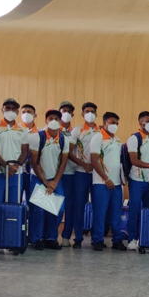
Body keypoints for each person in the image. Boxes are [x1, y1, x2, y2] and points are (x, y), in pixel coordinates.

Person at [29, 110, 69, 251]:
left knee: (58, 208)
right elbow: (34, 162)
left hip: (55, 179)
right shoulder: (37, 137)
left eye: (56, 118)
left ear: (60, 121)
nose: (53, 121)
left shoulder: (64, 139)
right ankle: (36, 238)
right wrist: (46, 182)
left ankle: (50, 237)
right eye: (51, 118)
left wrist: (54, 182)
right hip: (39, 178)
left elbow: (63, 164)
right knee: (39, 209)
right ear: (46, 120)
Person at [90, 111, 126, 252]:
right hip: (101, 183)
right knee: (100, 213)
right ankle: (97, 239)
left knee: (116, 213)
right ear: (104, 123)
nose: (114, 125)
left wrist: (121, 179)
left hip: (117, 184)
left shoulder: (117, 139)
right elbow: (94, 160)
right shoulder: (97, 138)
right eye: (112, 123)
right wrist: (106, 179)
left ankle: (117, 240)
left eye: (116, 123)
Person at [126, 111, 149, 251]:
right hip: (137, 180)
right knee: (134, 210)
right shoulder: (134, 138)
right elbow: (134, 160)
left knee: (148, 211)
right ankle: (132, 239)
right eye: (148, 121)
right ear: (141, 123)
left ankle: (145, 238)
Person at [0, 98, 28, 205]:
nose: (10, 110)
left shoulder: (23, 129)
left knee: (12, 209)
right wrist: (6, 166)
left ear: (17, 112)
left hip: (15, 174)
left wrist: (16, 166)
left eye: (13, 108)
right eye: (7, 108)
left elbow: (24, 152)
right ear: (2, 110)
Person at [67, 102, 99, 249]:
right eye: (87, 111)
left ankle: (96, 238)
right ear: (82, 114)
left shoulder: (102, 131)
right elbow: (68, 152)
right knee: (79, 206)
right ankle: (78, 238)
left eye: (92, 111)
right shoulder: (77, 131)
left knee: (98, 207)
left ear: (97, 114)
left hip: (98, 176)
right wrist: (83, 164)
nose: (90, 113)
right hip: (81, 173)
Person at [58, 101, 77, 245]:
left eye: (69, 111)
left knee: (70, 206)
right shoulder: (49, 129)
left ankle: (66, 237)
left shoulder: (75, 132)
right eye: (64, 110)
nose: (66, 113)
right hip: (53, 173)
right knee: (54, 205)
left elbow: (70, 152)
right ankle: (50, 235)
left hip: (70, 173)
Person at [19, 103, 38, 202]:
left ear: (35, 115)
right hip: (18, 172)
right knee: (16, 201)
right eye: (23, 112)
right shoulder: (16, 130)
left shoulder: (40, 133)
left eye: (29, 112)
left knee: (32, 203)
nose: (26, 114)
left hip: (33, 173)